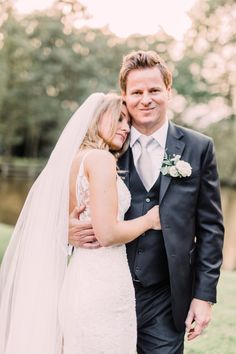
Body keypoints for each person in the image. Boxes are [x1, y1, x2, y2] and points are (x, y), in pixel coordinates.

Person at [69, 51, 224, 354]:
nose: (146, 99)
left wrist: (204, 298)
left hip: (166, 297)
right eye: (136, 92)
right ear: (124, 97)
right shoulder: (106, 145)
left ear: (169, 91)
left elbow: (211, 229)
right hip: (106, 292)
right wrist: (65, 230)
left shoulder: (198, 147)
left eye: (154, 90)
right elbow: (62, 204)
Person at [0, 92, 161, 354]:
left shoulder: (74, 161)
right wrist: (149, 220)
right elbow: (107, 234)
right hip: (102, 286)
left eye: (128, 122)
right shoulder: (101, 159)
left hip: (80, 278)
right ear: (95, 118)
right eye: (118, 119)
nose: (125, 127)